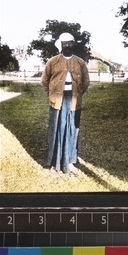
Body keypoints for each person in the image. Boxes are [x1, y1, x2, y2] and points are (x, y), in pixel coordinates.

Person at [42, 32, 90, 174]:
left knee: (72, 129)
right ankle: (55, 161)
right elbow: (45, 80)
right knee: (57, 128)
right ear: (61, 45)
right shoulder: (53, 61)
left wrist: (78, 94)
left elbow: (86, 81)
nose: (67, 45)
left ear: (73, 44)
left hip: (74, 100)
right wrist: (52, 94)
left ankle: (70, 161)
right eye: (65, 43)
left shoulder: (80, 62)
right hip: (57, 101)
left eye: (70, 42)